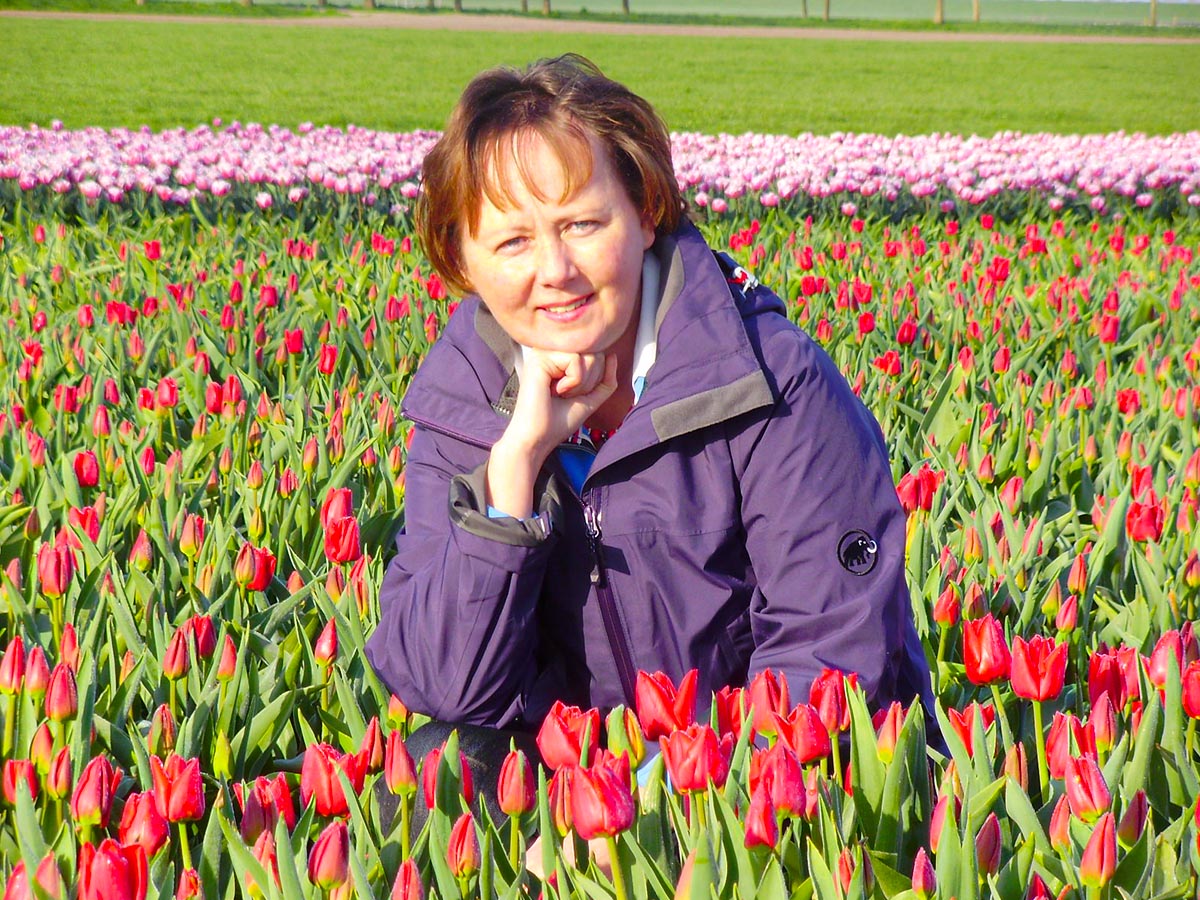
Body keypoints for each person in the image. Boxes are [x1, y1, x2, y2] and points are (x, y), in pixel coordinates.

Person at [365, 55, 935, 791]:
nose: (554, 269)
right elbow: (446, 692)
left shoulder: (768, 380)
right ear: (461, 258)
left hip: (761, 790)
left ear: (645, 211)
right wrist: (511, 481)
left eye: (582, 223)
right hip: (572, 782)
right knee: (435, 773)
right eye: (512, 241)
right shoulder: (464, 402)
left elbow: (826, 654)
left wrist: (653, 813)